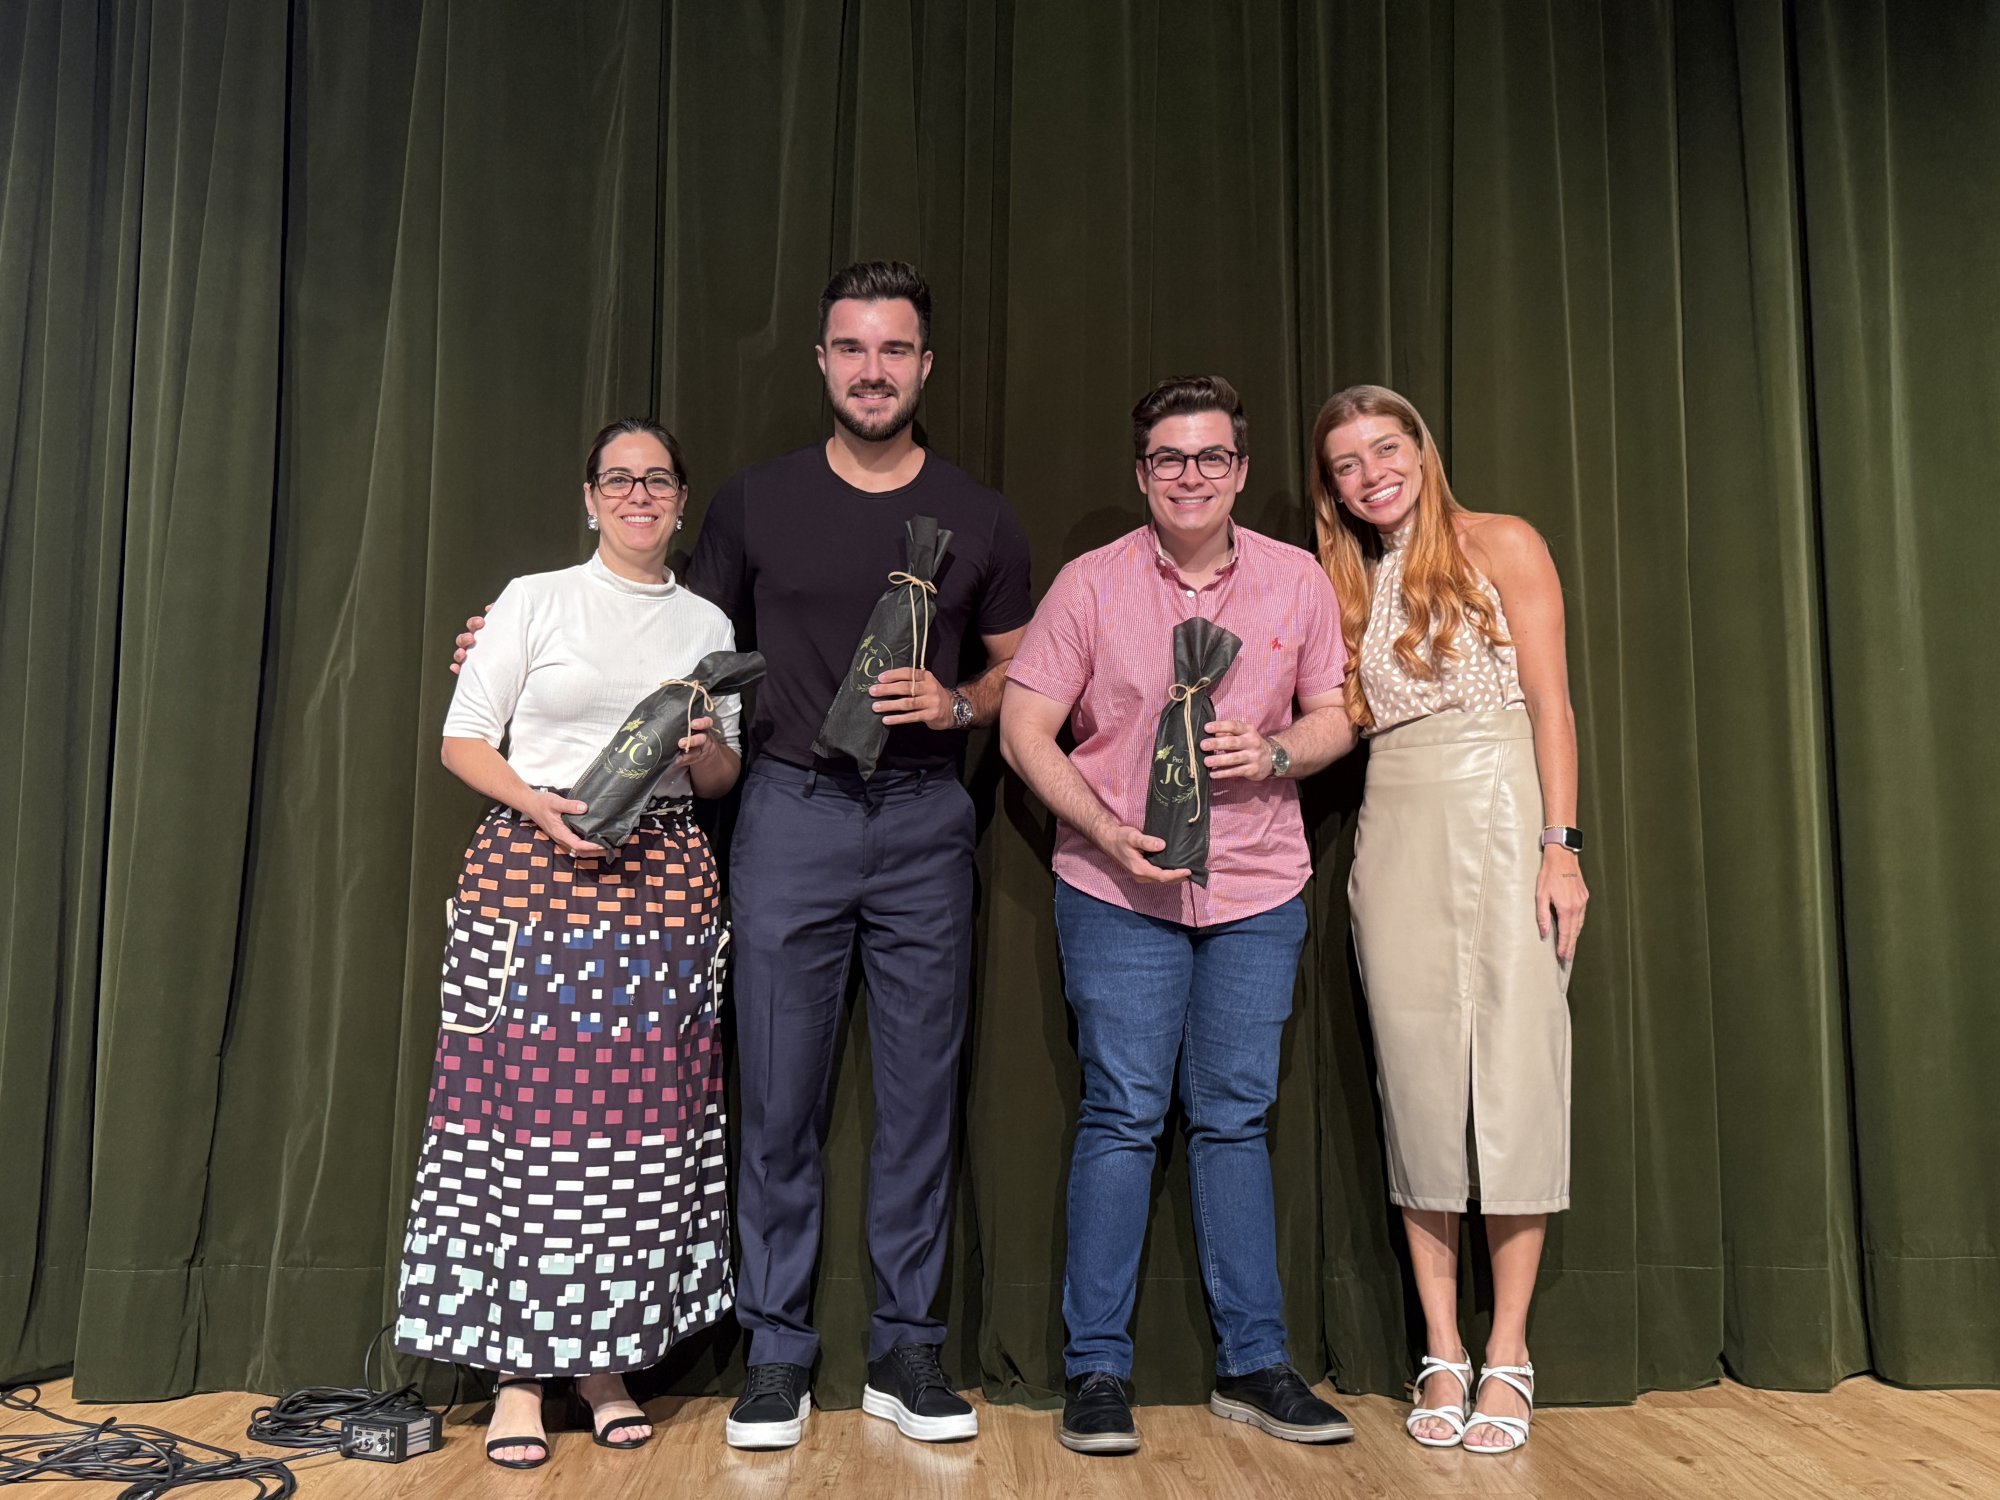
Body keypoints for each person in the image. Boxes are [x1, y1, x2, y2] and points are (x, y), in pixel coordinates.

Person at [454, 262, 1034, 1450]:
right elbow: (668, 634)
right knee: (775, 1098)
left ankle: (908, 1351)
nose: (871, 370)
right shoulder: (753, 504)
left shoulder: (979, 515)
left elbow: (1021, 666)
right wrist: (501, 636)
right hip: (786, 815)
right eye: (850, 348)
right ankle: (776, 1354)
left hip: (924, 820)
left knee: (920, 1098)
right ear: (821, 362)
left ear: (924, 366)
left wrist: (960, 704)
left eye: (894, 349)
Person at [1000, 375, 1358, 1456]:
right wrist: (1103, 829)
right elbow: (1023, 730)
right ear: (1141, 472)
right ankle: (1096, 1371)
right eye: (1168, 458)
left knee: (1234, 1119)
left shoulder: (1296, 581)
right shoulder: (1090, 584)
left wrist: (1277, 751)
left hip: (1256, 889)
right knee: (1121, 1115)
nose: (1189, 476)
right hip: (1119, 894)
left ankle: (1255, 1364)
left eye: (1209, 458)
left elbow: (1335, 717)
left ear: (1240, 472)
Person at [395, 418, 743, 1469]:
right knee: (520, 1127)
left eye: (658, 480)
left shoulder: (706, 621)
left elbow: (722, 776)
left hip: (662, 884)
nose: (639, 495)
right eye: (618, 479)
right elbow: (462, 740)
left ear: (681, 500)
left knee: (637, 1133)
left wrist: (703, 748)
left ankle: (605, 1367)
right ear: (588, 498)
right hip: (532, 874)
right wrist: (540, 808)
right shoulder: (533, 599)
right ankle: (516, 1375)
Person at [1311, 385, 1586, 1455]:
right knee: (1417, 1079)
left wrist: (1560, 847)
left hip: (1506, 806)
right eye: (1346, 463)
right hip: (1396, 821)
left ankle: (1509, 1349)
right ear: (1332, 487)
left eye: (1386, 449)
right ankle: (1440, 1346)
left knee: (1516, 1074)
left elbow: (1550, 702)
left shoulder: (1501, 541)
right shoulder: (1344, 580)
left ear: (1421, 452)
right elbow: (1335, 718)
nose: (1370, 473)